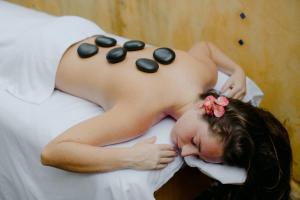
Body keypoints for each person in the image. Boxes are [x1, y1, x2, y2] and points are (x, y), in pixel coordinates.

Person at [37, 17, 291, 199]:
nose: (186, 152)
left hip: (77, 27)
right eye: (196, 142)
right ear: (207, 107)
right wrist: (130, 158)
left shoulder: (201, 72)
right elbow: (53, 152)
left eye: (199, 157)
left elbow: (205, 48)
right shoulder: (141, 111)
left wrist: (238, 70)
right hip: (41, 52)